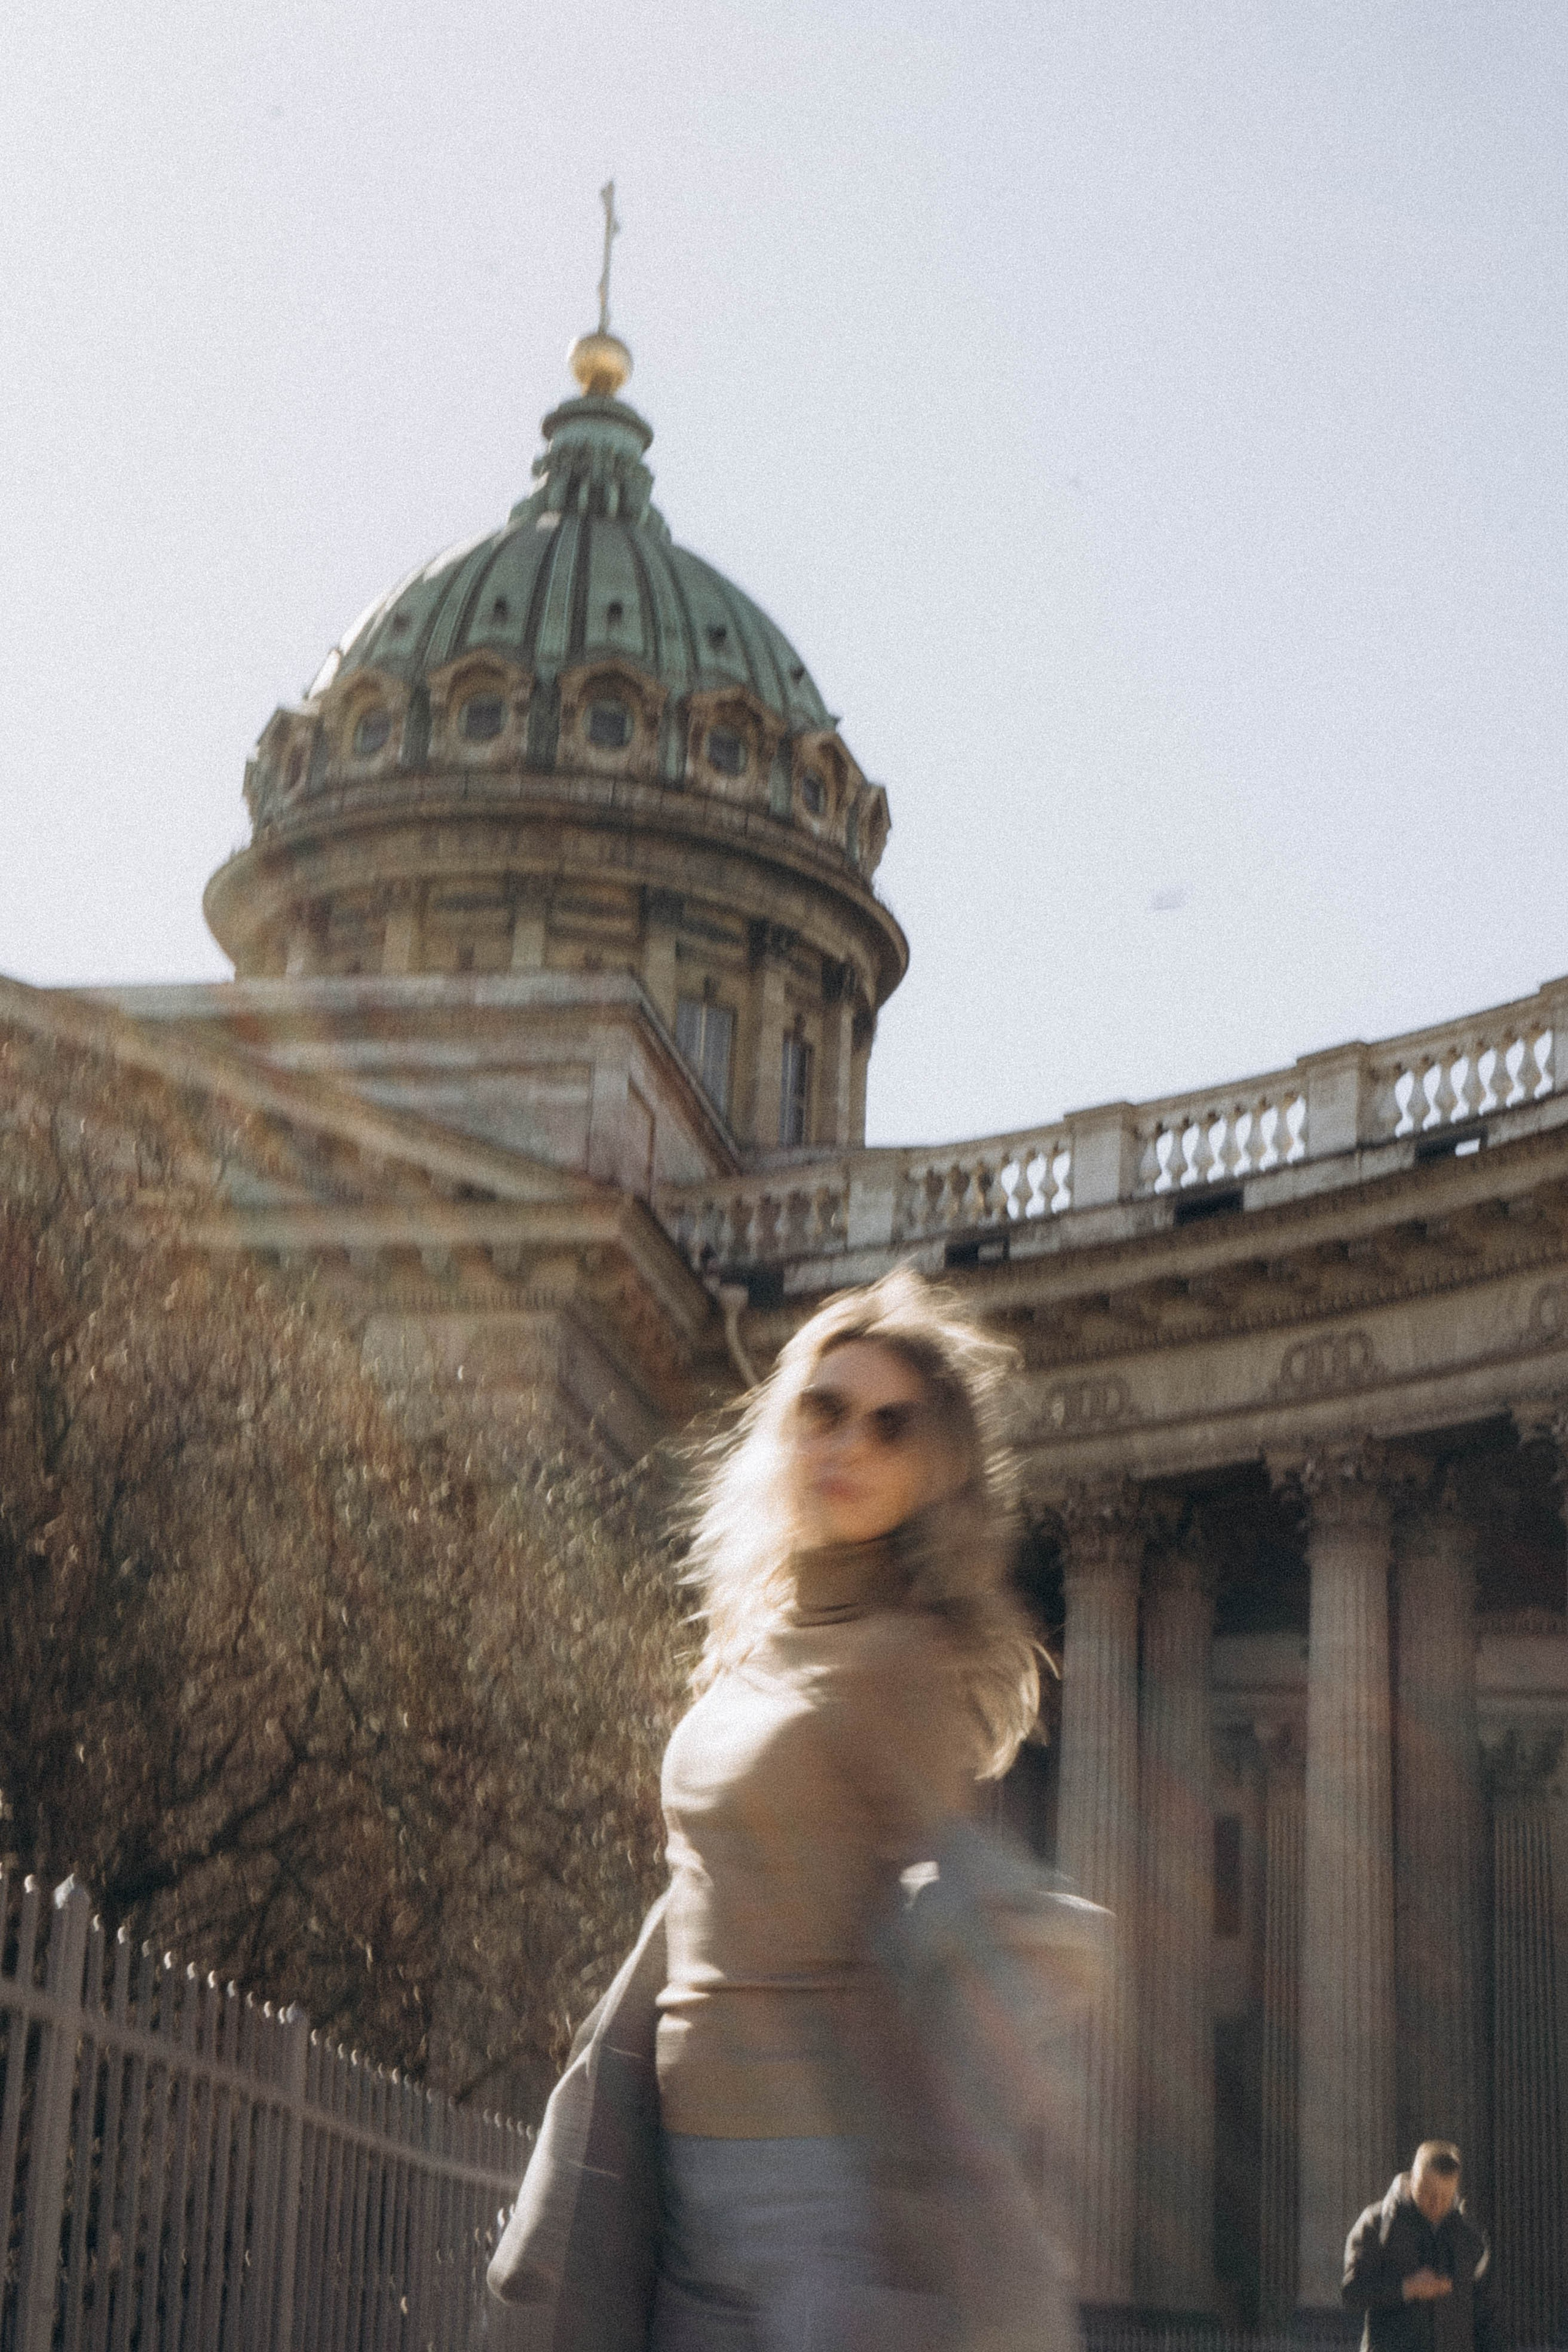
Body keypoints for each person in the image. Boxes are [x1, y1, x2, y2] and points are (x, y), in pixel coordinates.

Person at [489, 1266, 1097, 2352]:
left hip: (814, 2188)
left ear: (933, 1470)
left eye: (891, 1427)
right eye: (825, 1409)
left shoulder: (899, 1661)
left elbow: (942, 1868)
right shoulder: (762, 1644)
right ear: (785, 1425)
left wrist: (1041, 1940)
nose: (850, 1444)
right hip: (685, 2169)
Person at [1343, 2141, 1496, 2352]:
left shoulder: (1469, 2235)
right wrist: (1407, 2288)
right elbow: (1351, 2292)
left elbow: (1486, 2314)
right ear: (1412, 2179)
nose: (1436, 2204)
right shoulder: (1377, 2223)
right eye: (1428, 2193)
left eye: (1445, 2196)